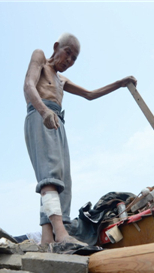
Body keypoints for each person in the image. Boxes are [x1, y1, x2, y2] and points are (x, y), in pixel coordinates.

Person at [23, 32, 136, 245]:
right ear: (56, 47)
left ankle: (48, 239)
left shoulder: (61, 79)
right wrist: (44, 111)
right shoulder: (40, 58)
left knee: (62, 180)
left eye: (74, 58)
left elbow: (90, 94)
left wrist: (119, 83)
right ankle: (62, 234)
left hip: (57, 121)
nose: (69, 60)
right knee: (50, 175)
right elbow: (28, 85)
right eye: (68, 53)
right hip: (40, 115)